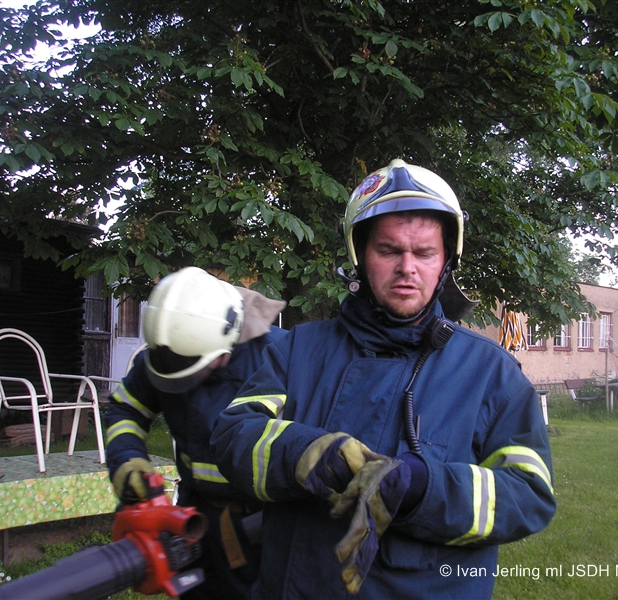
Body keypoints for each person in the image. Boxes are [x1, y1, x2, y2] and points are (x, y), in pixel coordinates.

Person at [210, 159, 556, 599]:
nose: (407, 267)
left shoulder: (491, 373)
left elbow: (528, 494)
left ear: (445, 261)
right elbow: (232, 436)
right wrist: (300, 452)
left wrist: (422, 487)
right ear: (360, 257)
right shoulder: (297, 350)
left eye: (424, 253)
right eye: (389, 250)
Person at [105, 266, 286, 600]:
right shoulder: (169, 349)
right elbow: (126, 409)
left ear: (225, 349)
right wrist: (127, 460)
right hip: (193, 515)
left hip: (263, 526)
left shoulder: (280, 358)